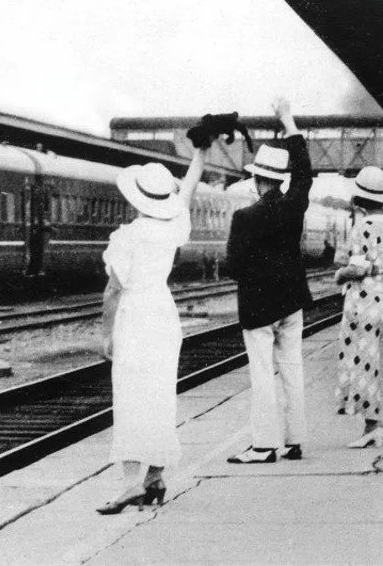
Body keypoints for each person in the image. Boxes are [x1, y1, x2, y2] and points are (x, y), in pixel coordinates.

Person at [96, 145, 208, 515]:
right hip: (164, 314)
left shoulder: (126, 236)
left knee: (130, 398)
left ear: (135, 198)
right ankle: (155, 477)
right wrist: (200, 154)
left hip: (135, 316)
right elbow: (187, 191)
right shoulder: (174, 227)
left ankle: (130, 485)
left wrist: (106, 334)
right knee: (161, 395)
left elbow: (113, 290)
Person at [225, 97, 312, 464]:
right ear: (280, 179)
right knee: (293, 369)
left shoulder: (245, 217)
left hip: (259, 307)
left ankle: (263, 446)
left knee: (263, 375)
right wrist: (288, 119)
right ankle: (294, 441)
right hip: (292, 301)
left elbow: (233, 266)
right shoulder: (295, 204)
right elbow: (305, 170)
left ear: (255, 178)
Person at [334, 157, 383, 448]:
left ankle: (373, 426)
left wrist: (339, 275)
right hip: (380, 296)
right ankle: (372, 424)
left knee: (361, 363)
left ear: (360, 197)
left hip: (360, 299)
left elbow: (357, 268)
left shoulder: (362, 226)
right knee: (370, 361)